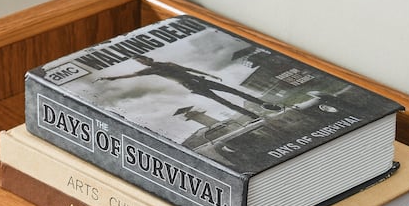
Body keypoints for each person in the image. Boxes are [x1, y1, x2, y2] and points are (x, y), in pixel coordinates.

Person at [98, 55, 280, 119]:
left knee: (235, 91)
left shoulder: (167, 63)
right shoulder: (149, 71)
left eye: (142, 59)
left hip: (200, 79)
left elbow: (189, 69)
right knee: (223, 101)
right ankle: (252, 115)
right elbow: (130, 75)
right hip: (191, 85)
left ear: (147, 58)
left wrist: (210, 75)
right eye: (139, 61)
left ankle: (264, 104)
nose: (142, 62)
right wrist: (111, 77)